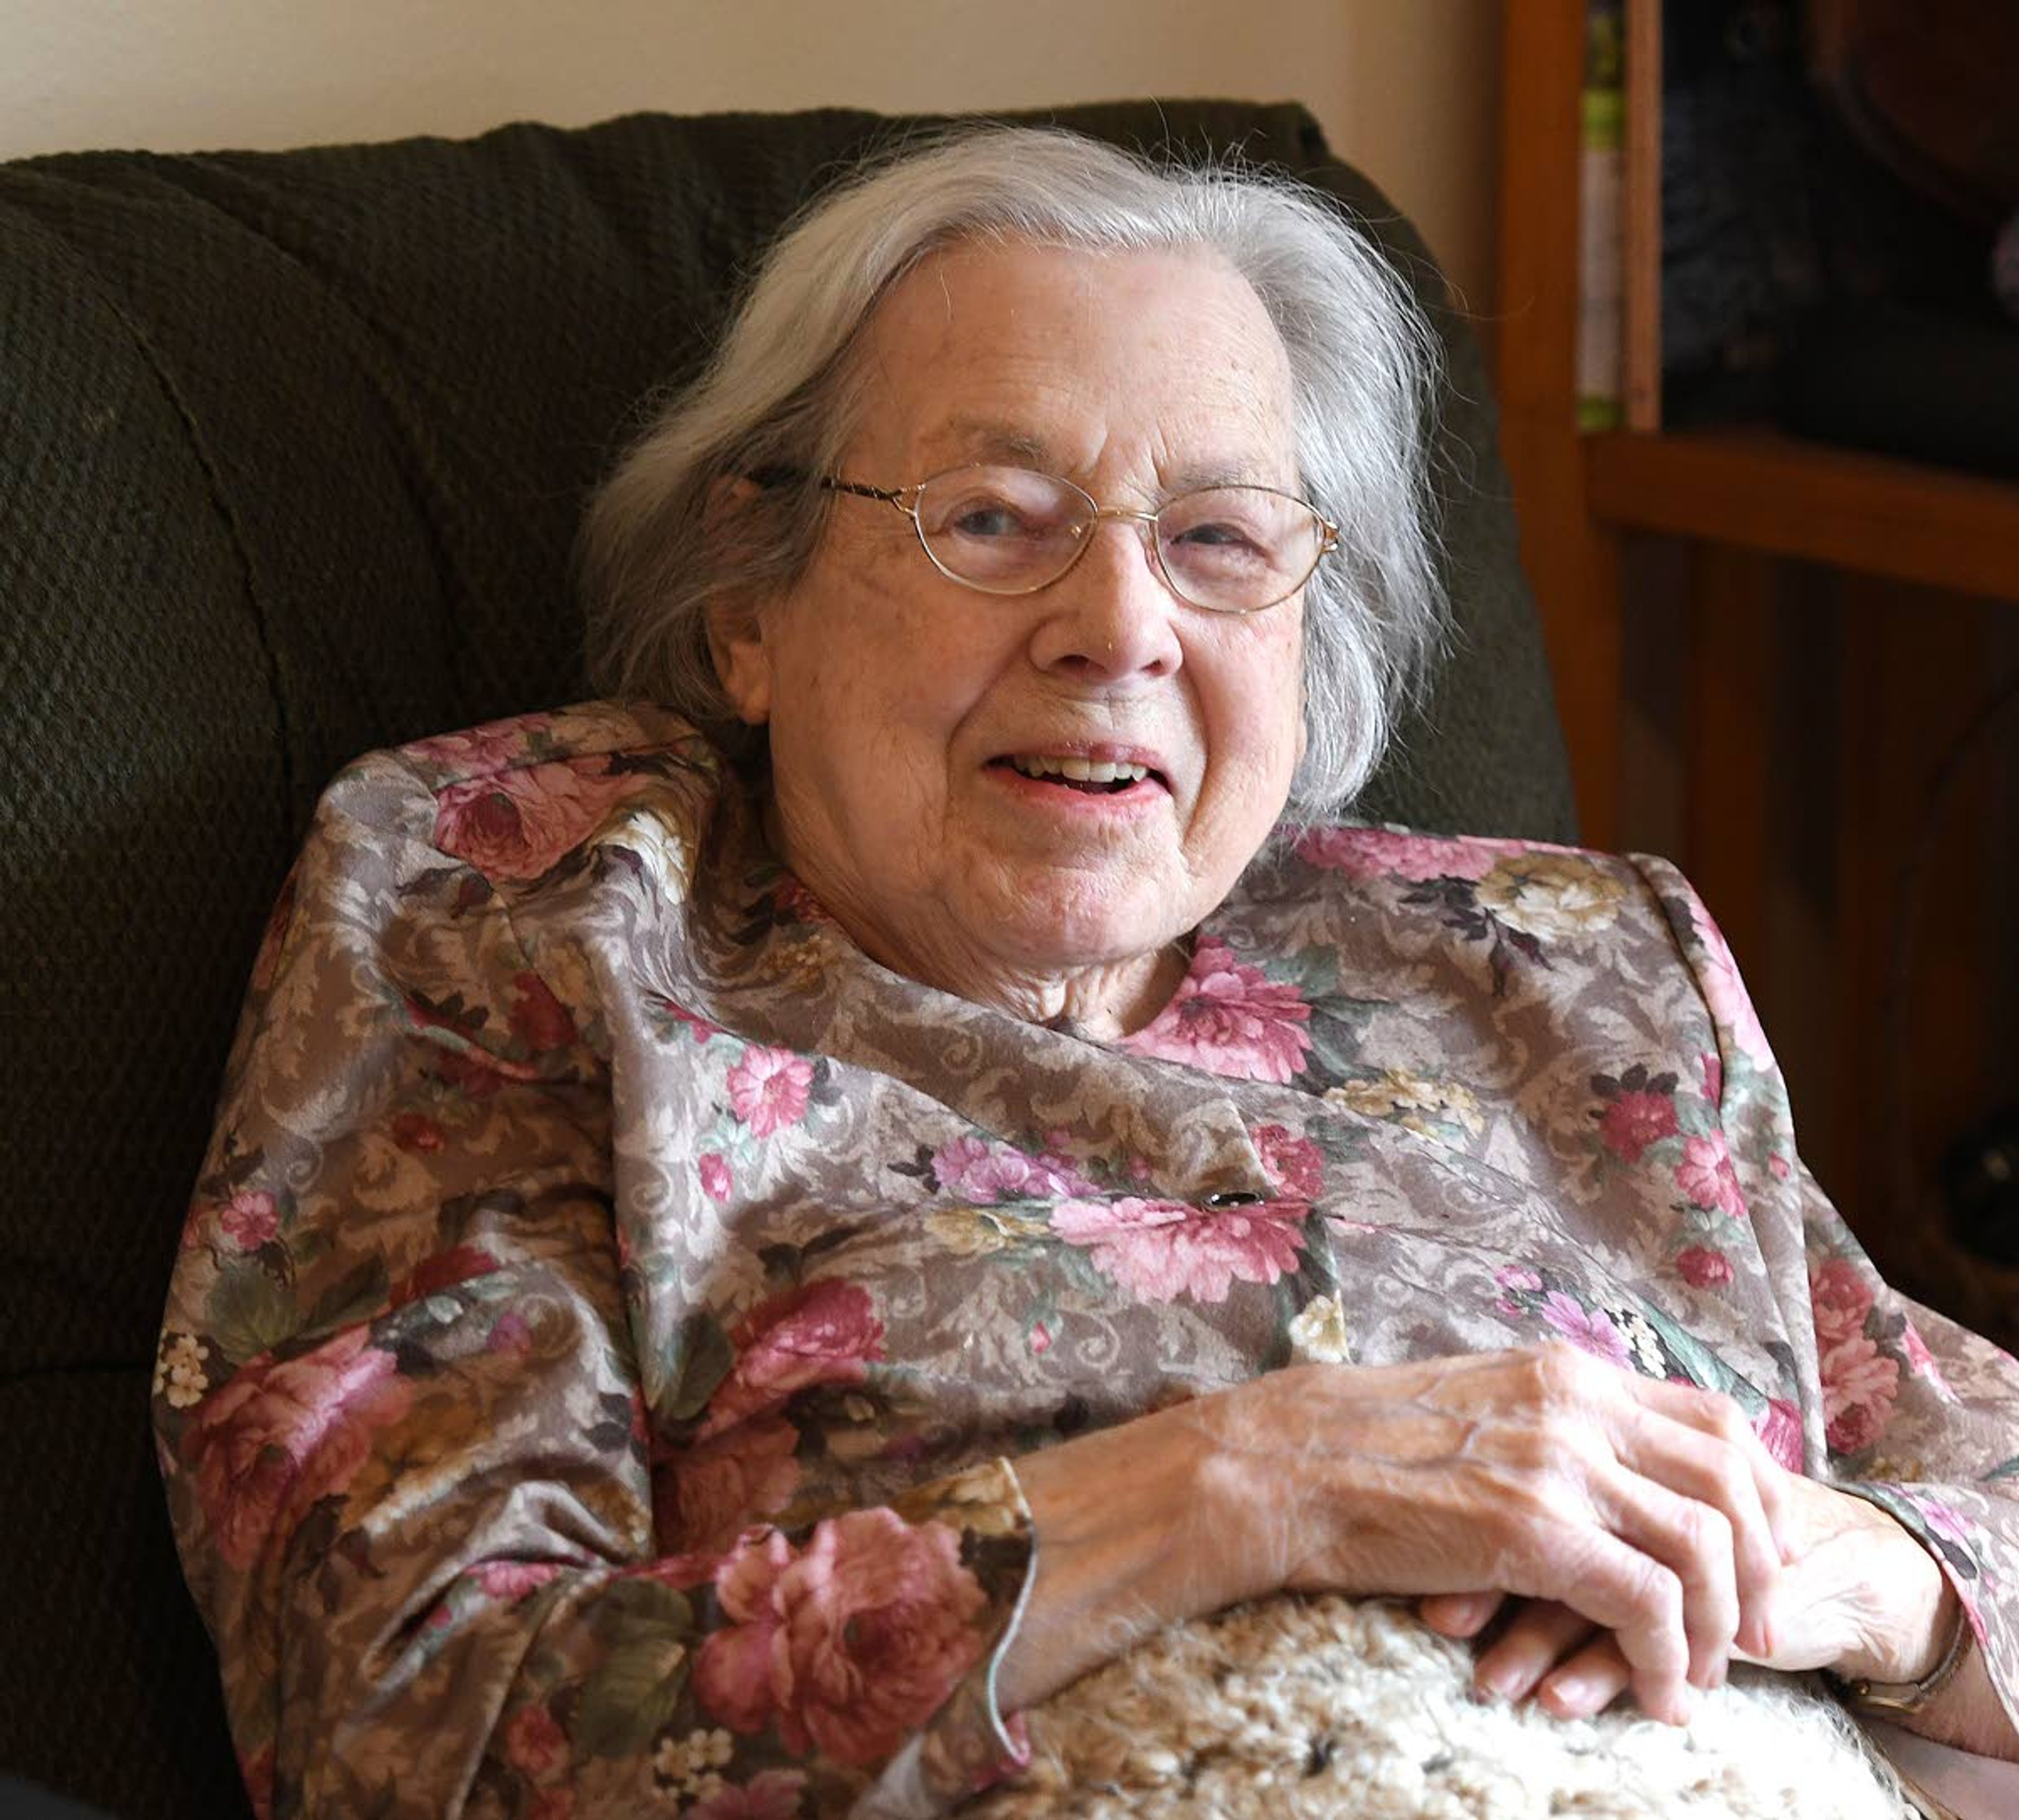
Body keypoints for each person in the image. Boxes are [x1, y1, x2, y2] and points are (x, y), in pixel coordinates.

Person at [154, 126, 2019, 1819]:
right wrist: (1254, 1486)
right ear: (749, 600)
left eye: (1217, 540)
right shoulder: (533, 915)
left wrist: (1855, 1576)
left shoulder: (1562, 974)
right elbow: (412, 1726)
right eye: (991, 520)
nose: (1121, 625)